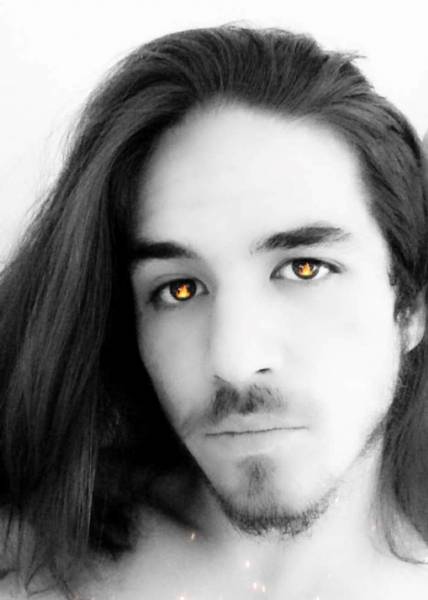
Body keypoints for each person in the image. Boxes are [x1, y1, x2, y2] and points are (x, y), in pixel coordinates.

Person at [0, 25, 427, 600]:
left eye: (305, 268)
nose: (233, 359)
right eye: (179, 289)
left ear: (411, 305)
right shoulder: (27, 569)